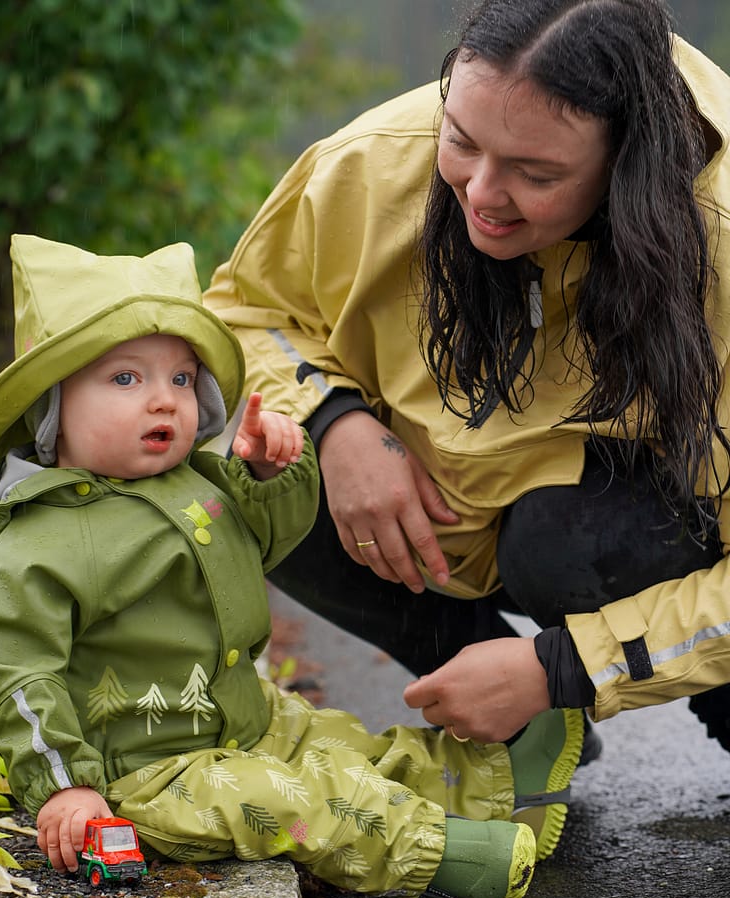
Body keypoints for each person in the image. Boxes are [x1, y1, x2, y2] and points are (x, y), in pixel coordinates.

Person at [0, 234, 586, 898]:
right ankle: (441, 855)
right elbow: (14, 671)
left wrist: (269, 476)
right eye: (126, 379)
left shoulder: (192, 482)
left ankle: (498, 786)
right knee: (298, 803)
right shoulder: (34, 542)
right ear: (51, 404)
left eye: (181, 379)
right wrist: (66, 785)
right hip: (151, 775)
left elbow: (265, 545)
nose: (164, 400)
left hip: (246, 716)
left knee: (346, 747)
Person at [203, 0, 730, 753]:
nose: (481, 193)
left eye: (536, 174)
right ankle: (521, 730)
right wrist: (332, 421)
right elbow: (247, 307)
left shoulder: (720, 240)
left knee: (564, 543)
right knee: (265, 484)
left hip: (639, 525)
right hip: (451, 511)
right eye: (460, 142)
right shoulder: (378, 158)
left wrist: (568, 666)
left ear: (627, 167)